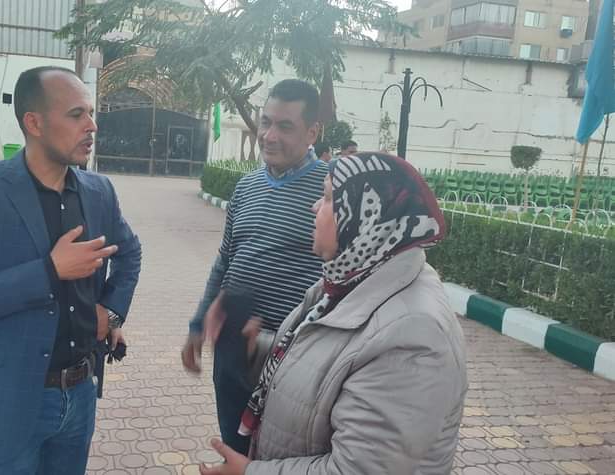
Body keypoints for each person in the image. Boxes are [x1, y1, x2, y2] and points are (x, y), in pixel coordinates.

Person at [200, 152, 467, 475]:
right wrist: (255, 350)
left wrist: (249, 472)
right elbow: (329, 371)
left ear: (366, 214)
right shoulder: (347, 283)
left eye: (327, 197)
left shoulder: (413, 336)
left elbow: (358, 469)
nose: (314, 207)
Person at [0, 66, 142, 474]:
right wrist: (49, 271)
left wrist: (111, 312)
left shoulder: (98, 192)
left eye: (91, 113)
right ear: (34, 123)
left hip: (78, 395)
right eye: (76, 114)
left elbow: (130, 253)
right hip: (3, 404)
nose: (92, 126)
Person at [181, 79, 328, 455]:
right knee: (235, 448)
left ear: (312, 132)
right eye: (266, 122)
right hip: (232, 349)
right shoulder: (246, 187)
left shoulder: (329, 193)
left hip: (291, 357)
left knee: (279, 456)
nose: (269, 135)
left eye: (285, 126)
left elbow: (339, 281)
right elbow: (225, 261)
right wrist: (198, 325)